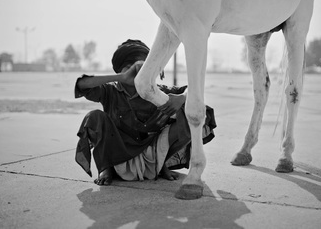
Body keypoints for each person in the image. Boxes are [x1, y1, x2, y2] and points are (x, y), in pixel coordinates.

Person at [74, 39, 216, 185]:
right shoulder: (110, 91)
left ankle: (162, 166)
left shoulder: (158, 91)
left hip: (153, 151)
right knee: (94, 117)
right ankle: (106, 168)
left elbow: (193, 89)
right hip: (118, 149)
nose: (135, 72)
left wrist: (181, 98)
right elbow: (82, 85)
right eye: (128, 67)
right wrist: (121, 77)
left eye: (142, 68)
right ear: (119, 69)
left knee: (191, 114)